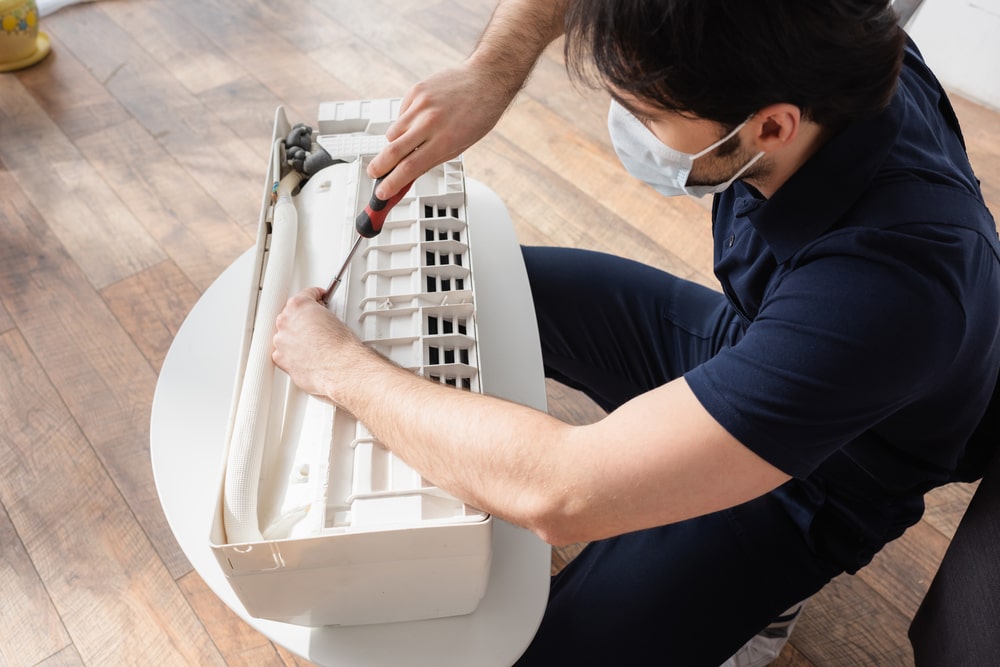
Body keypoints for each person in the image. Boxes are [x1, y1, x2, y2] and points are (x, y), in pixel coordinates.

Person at [272, 1, 1000, 664]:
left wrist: (342, 369)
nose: (625, 124)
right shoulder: (829, 41)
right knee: (477, 287)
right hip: (755, 337)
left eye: (646, 114)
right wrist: (487, 74)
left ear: (769, 126)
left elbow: (561, 491)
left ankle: (765, 593)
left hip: (823, 475)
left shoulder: (885, 289)